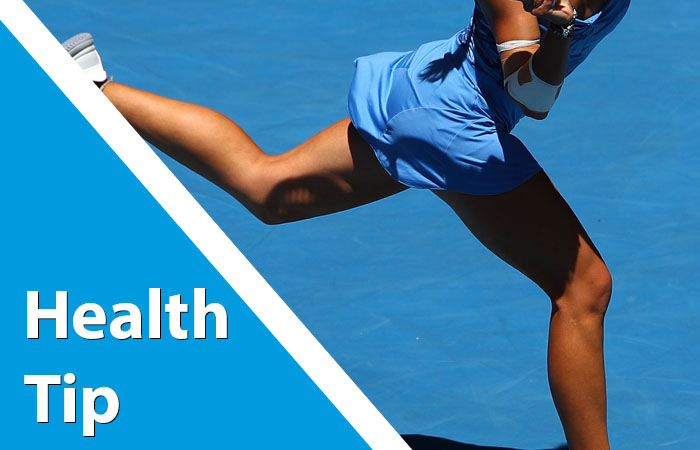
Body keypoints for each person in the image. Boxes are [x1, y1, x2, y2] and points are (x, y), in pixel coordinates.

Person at [63, 0, 630, 448]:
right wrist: (559, 32)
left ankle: (94, 87)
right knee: (582, 288)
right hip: (455, 124)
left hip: (427, 99)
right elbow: (532, 94)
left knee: (269, 191)